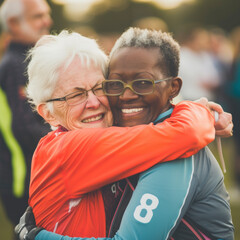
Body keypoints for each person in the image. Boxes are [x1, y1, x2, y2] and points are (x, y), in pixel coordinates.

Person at [16, 30, 233, 240]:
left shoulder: (109, 134)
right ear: (48, 115)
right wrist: (199, 111)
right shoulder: (71, 148)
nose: (93, 103)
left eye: (100, 87)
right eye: (75, 95)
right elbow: (186, 132)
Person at [0, 0, 52, 228]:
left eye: (47, 14)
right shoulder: (15, 65)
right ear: (13, 23)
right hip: (23, 181)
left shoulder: (23, 60)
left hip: (28, 177)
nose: (47, 21)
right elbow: (25, 126)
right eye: (38, 16)